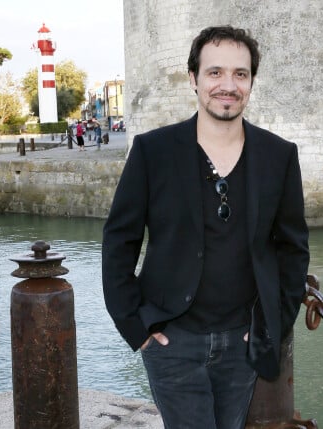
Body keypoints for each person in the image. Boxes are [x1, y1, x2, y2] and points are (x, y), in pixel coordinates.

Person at [102, 25, 309, 429]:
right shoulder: (153, 151)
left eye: (240, 74)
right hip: (171, 340)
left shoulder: (279, 155)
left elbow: (293, 248)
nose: (227, 85)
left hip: (243, 343)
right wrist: (134, 323)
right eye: (215, 73)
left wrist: (275, 323)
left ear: (250, 82)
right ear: (194, 79)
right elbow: (119, 240)